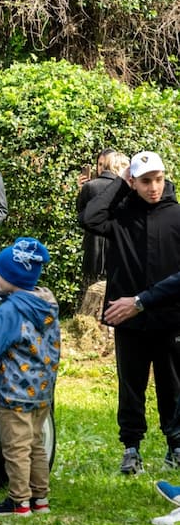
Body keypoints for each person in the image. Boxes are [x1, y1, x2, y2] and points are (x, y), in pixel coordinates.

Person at [82, 150, 180, 475]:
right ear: (134, 181)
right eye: (145, 181)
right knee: (131, 384)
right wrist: (120, 186)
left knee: (173, 383)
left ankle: (175, 444)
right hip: (129, 319)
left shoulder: (176, 215)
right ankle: (131, 448)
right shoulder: (122, 216)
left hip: (170, 317)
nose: (153, 187)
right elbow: (90, 218)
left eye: (158, 179)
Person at [0, 237, 60, 517]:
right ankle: (40, 499)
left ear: (13, 276)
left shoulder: (11, 310)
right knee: (35, 444)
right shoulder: (47, 303)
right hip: (41, 390)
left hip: (15, 391)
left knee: (15, 448)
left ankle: (19, 502)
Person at [76, 149, 125, 291]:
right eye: (99, 164)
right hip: (117, 251)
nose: (101, 168)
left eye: (104, 164)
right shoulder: (126, 187)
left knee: (89, 292)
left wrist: (83, 190)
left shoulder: (91, 187)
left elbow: (81, 215)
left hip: (93, 250)